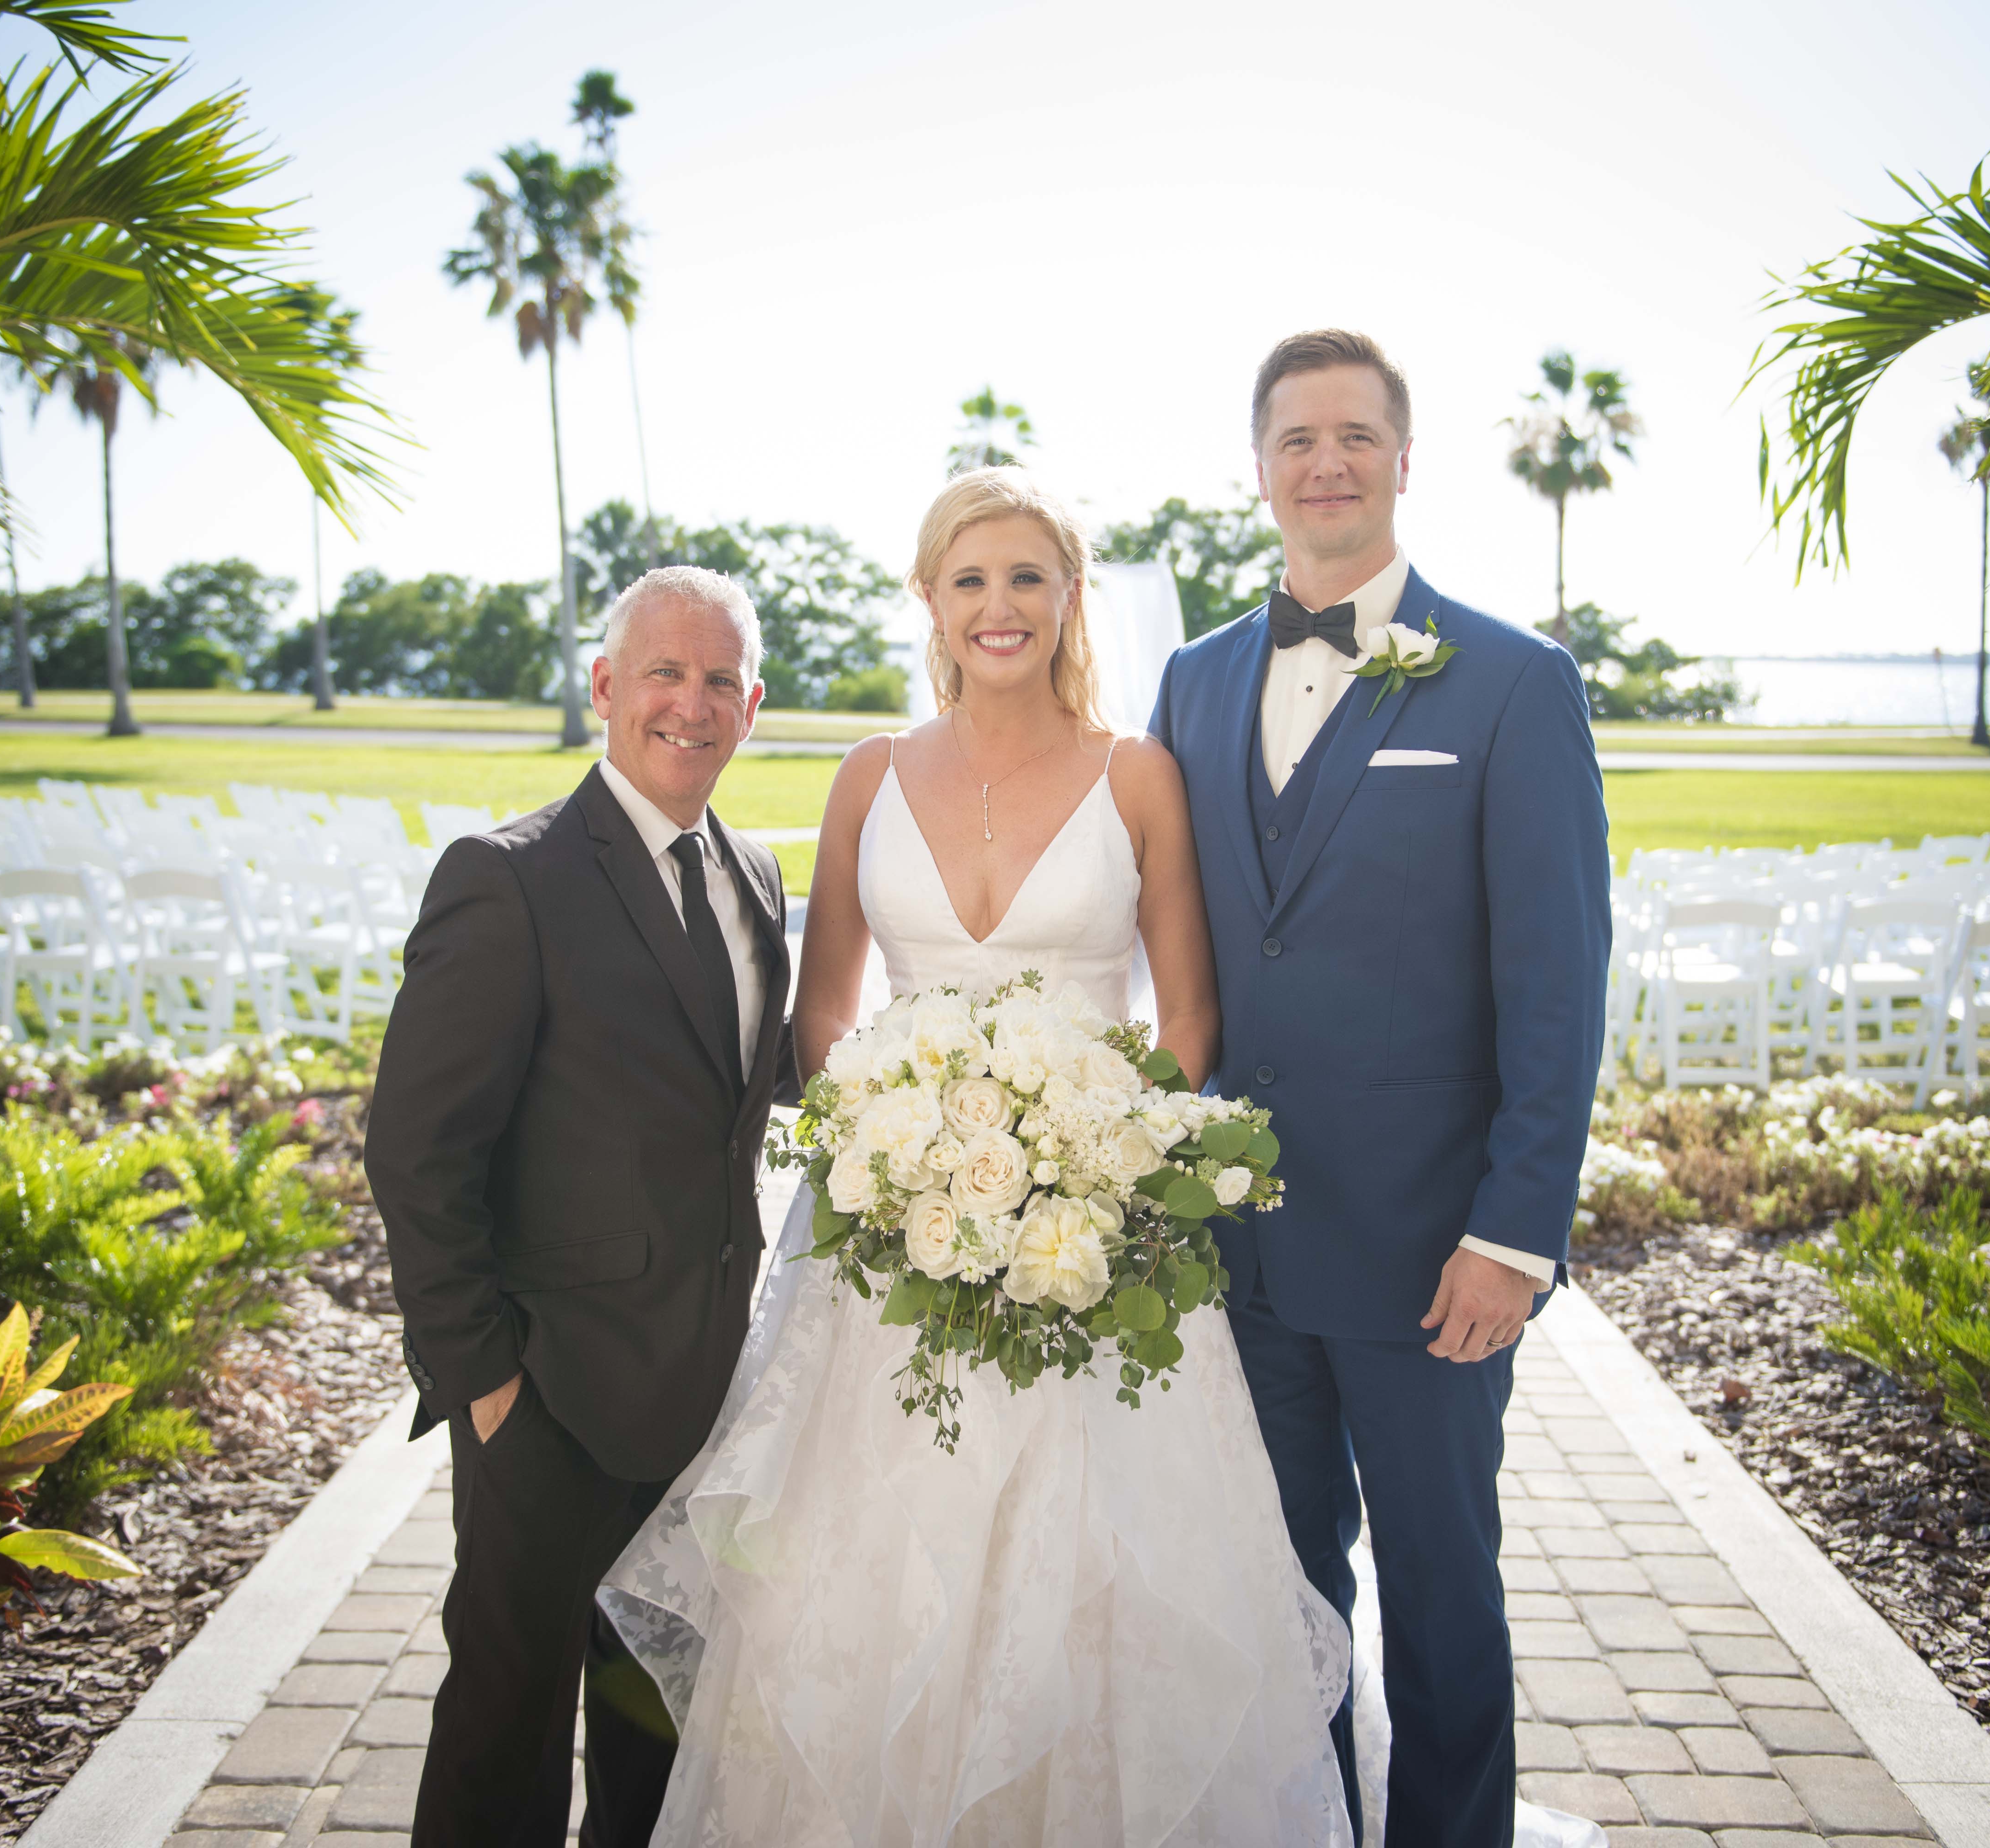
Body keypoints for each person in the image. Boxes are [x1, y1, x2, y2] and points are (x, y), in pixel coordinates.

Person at [602, 468, 1356, 1846]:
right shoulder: (869, 777)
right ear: (931, 604)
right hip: (889, 1258)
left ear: (1070, 598)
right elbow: (823, 1015)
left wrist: (1082, 1166)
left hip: (1097, 1248)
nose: (998, 607)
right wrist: (914, 1168)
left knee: (1097, 1599)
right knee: (873, 1599)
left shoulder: (1139, 776)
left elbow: (1186, 1025)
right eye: (970, 580)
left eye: (1026, 578)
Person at [1147, 329, 1614, 1847]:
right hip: (1241, 1249)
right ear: (1261, 466)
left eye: (1355, 436)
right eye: (1296, 439)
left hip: (1434, 1258)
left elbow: (1558, 983)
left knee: (1441, 1597)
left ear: (1404, 461)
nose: (1325, 464)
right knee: (1287, 1598)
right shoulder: (1196, 680)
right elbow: (1185, 949)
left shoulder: (1514, 684)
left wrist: (1517, 1234)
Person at [367, 567, 795, 1848]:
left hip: (700, 1387)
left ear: (753, 705)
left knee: (653, 1715)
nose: (692, 702)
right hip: (543, 1396)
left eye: (721, 679)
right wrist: (482, 1380)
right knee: (504, 1721)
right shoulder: (510, 880)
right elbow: (415, 1149)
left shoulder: (760, 881)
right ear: (607, 688)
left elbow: (748, 1089)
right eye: (664, 672)